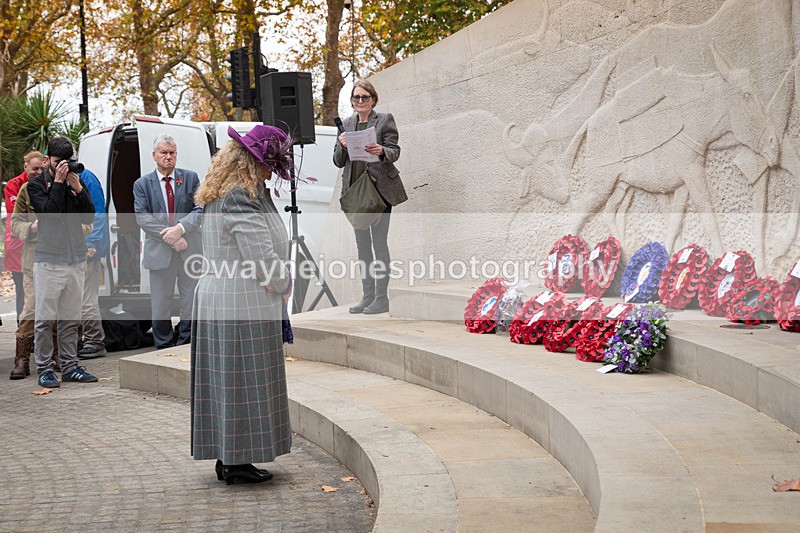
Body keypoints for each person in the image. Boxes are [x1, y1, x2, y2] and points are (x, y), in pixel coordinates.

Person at [191, 124, 294, 485]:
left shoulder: (231, 191)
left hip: (227, 296)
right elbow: (260, 258)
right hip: (240, 298)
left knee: (230, 381)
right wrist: (284, 283)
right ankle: (234, 462)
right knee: (239, 382)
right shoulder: (240, 197)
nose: (272, 172)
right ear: (254, 162)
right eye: (269, 165)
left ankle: (231, 457)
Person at [27, 136, 97, 388]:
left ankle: (70, 366)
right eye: (58, 163)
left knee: (71, 318)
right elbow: (51, 213)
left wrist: (78, 188)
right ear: (47, 161)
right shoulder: (35, 186)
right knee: (45, 319)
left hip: (75, 258)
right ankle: (45, 368)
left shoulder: (73, 182)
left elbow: (89, 214)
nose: (63, 167)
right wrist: (58, 183)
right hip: (49, 260)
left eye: (67, 163)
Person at [333, 79, 407, 315]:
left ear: (373, 99)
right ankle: (367, 296)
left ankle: (381, 297)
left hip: (380, 190)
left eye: (365, 97)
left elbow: (394, 151)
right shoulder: (346, 124)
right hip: (356, 192)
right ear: (352, 101)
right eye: (356, 97)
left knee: (379, 243)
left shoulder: (384, 120)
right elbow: (338, 161)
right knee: (362, 246)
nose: (361, 101)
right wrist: (342, 145)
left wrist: (382, 150)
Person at [133, 134, 202, 349]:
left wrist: (181, 229)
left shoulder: (190, 178)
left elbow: (200, 208)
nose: (168, 157)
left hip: (190, 250)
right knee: (161, 303)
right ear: (154, 155)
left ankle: (186, 342)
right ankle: (163, 346)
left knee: (190, 300)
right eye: (164, 152)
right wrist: (171, 237)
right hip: (160, 252)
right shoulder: (142, 184)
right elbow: (142, 217)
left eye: (172, 153)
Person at [4, 151, 44, 322]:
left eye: (42, 169)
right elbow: (18, 215)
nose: (39, 173)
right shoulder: (14, 185)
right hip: (18, 246)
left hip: (39, 245)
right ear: (25, 166)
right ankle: (24, 332)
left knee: (40, 292)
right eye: (35, 169)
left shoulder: (45, 184)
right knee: (23, 292)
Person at [77, 167, 109, 359]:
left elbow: (97, 212)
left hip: (88, 249)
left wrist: (91, 243)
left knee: (86, 298)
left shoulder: (87, 178)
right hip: (72, 248)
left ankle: (94, 340)